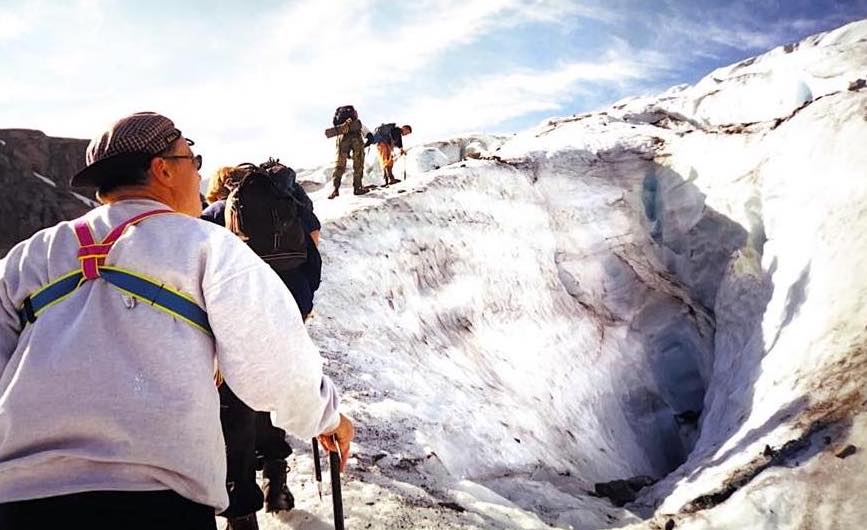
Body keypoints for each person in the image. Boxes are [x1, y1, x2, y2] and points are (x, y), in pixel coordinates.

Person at [0, 112, 354, 530]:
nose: (199, 174)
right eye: (193, 160)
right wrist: (326, 417)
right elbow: (273, 368)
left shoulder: (29, 256)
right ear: (163, 169)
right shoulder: (209, 247)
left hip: (17, 500)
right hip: (157, 500)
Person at [201, 164, 323, 529]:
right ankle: (276, 478)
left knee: (235, 409)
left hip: (237, 320)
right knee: (273, 392)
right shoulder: (287, 206)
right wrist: (300, 305)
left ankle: (241, 512)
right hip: (289, 309)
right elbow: (313, 257)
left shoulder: (215, 214)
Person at [328, 108, 370, 199]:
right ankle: (357, 188)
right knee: (358, 164)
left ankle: (335, 189)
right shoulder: (357, 123)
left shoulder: (341, 125)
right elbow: (367, 134)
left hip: (342, 138)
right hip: (356, 139)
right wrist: (368, 141)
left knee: (339, 165)